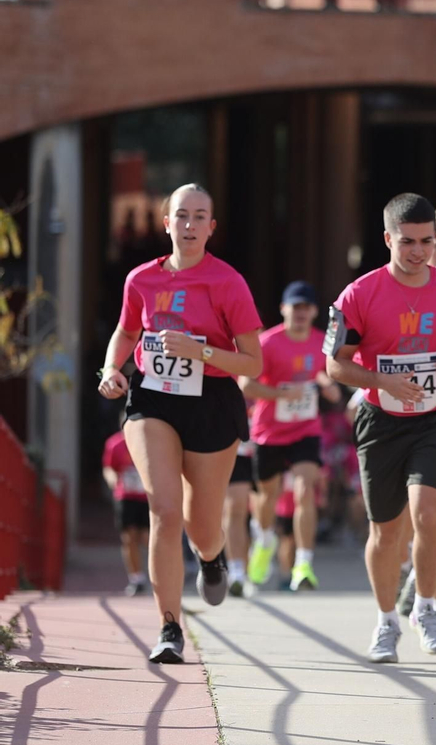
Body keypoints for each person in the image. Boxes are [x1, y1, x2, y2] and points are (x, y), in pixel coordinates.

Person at [96, 184, 263, 663]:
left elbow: (253, 363)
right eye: (182, 216)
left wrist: (201, 351)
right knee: (165, 511)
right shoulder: (141, 279)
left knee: (201, 525)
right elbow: (127, 331)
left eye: (199, 217)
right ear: (167, 223)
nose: (190, 225)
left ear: (211, 227)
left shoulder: (227, 282)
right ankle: (169, 627)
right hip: (153, 399)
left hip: (212, 402)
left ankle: (211, 558)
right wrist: (110, 369)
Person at [326, 193, 436, 662]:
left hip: (435, 419)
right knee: (386, 532)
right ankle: (386, 620)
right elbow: (335, 364)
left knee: (429, 514)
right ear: (387, 239)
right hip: (381, 421)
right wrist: (381, 380)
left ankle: (425, 609)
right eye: (407, 241)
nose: (418, 251)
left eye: (427, 241)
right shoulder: (358, 294)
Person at [241, 281, 337, 592]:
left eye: (306, 307)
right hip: (269, 432)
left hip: (305, 430)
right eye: (295, 307)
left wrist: (328, 384)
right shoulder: (268, 343)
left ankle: (303, 564)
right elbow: (246, 385)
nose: (300, 313)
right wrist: (282, 395)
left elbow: (329, 376)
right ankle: (264, 540)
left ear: (314, 312)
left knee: (304, 490)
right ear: (284, 309)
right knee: (267, 498)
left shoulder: (322, 342)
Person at [102, 428, 150, 596]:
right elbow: (108, 467)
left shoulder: (152, 439)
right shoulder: (114, 443)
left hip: (147, 497)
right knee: (129, 538)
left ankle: (159, 577)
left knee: (148, 538)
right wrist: (112, 479)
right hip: (126, 496)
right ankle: (136, 579)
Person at [223, 439, 257, 595]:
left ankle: (264, 541)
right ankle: (237, 571)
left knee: (261, 514)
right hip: (236, 449)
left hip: (268, 444)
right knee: (234, 509)